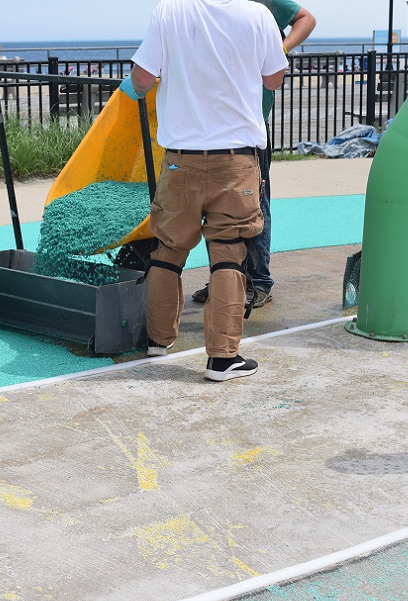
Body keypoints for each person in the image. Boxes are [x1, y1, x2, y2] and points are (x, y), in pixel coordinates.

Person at [120, 0, 287, 381]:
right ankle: (222, 359)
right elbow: (273, 79)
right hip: (236, 160)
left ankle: (157, 341)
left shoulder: (169, 11)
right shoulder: (258, 15)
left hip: (180, 161)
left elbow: (142, 81)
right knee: (229, 253)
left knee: (168, 250)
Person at [191, 0, 317, 309]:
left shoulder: (265, 3)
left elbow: (306, 18)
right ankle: (226, 277)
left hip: (250, 124)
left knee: (255, 202)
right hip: (217, 123)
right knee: (217, 204)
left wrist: (280, 49)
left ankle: (258, 280)